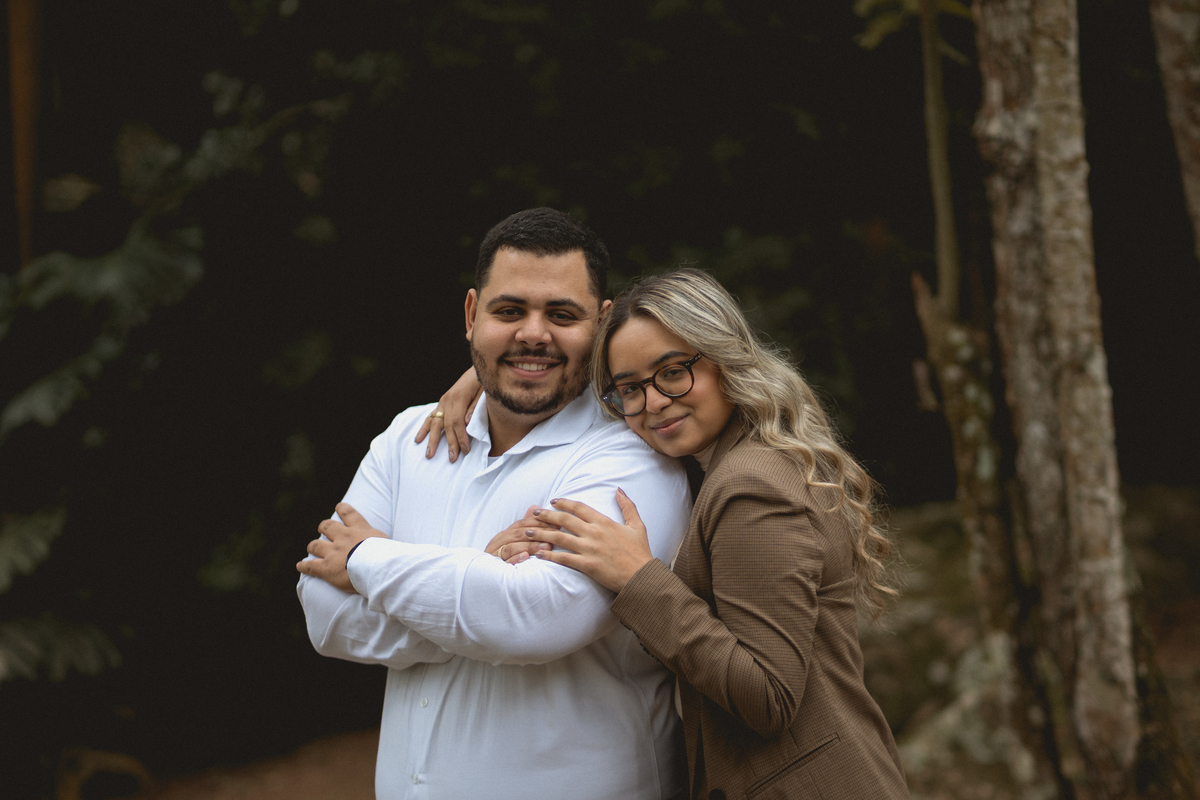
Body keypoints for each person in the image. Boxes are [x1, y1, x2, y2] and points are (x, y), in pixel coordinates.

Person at [443, 269, 909, 799]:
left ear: (723, 359)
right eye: (630, 389)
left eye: (673, 372)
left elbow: (768, 698)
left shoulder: (750, 486)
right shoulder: (725, 461)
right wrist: (479, 382)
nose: (655, 402)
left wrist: (639, 579)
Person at [295, 208, 692, 800]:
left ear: (603, 324)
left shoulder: (631, 457)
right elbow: (323, 616)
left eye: (562, 314)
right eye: (510, 311)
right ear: (471, 314)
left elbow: (538, 619)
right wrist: (476, 578)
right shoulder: (408, 439)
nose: (533, 333)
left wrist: (366, 563)